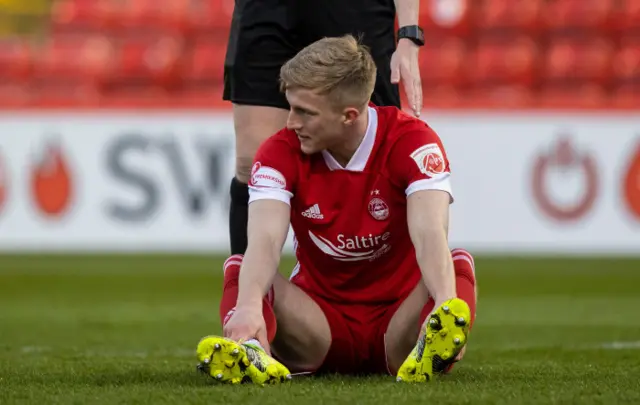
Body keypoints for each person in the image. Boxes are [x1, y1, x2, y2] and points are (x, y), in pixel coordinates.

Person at [197, 35, 477, 384]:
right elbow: (265, 241)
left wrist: (444, 300)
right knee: (242, 269)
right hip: (317, 327)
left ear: (349, 115)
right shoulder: (278, 152)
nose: (290, 123)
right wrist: (250, 305)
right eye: (291, 107)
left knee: (454, 265)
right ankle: (249, 347)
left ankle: (432, 343)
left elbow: (430, 234)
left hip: (399, 325)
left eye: (304, 112)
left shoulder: (413, 142)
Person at [225, 0, 426, 257]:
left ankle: (387, 287)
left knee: (375, 150)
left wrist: (409, 35)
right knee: (250, 164)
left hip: (354, 11)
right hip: (265, 8)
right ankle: (245, 292)